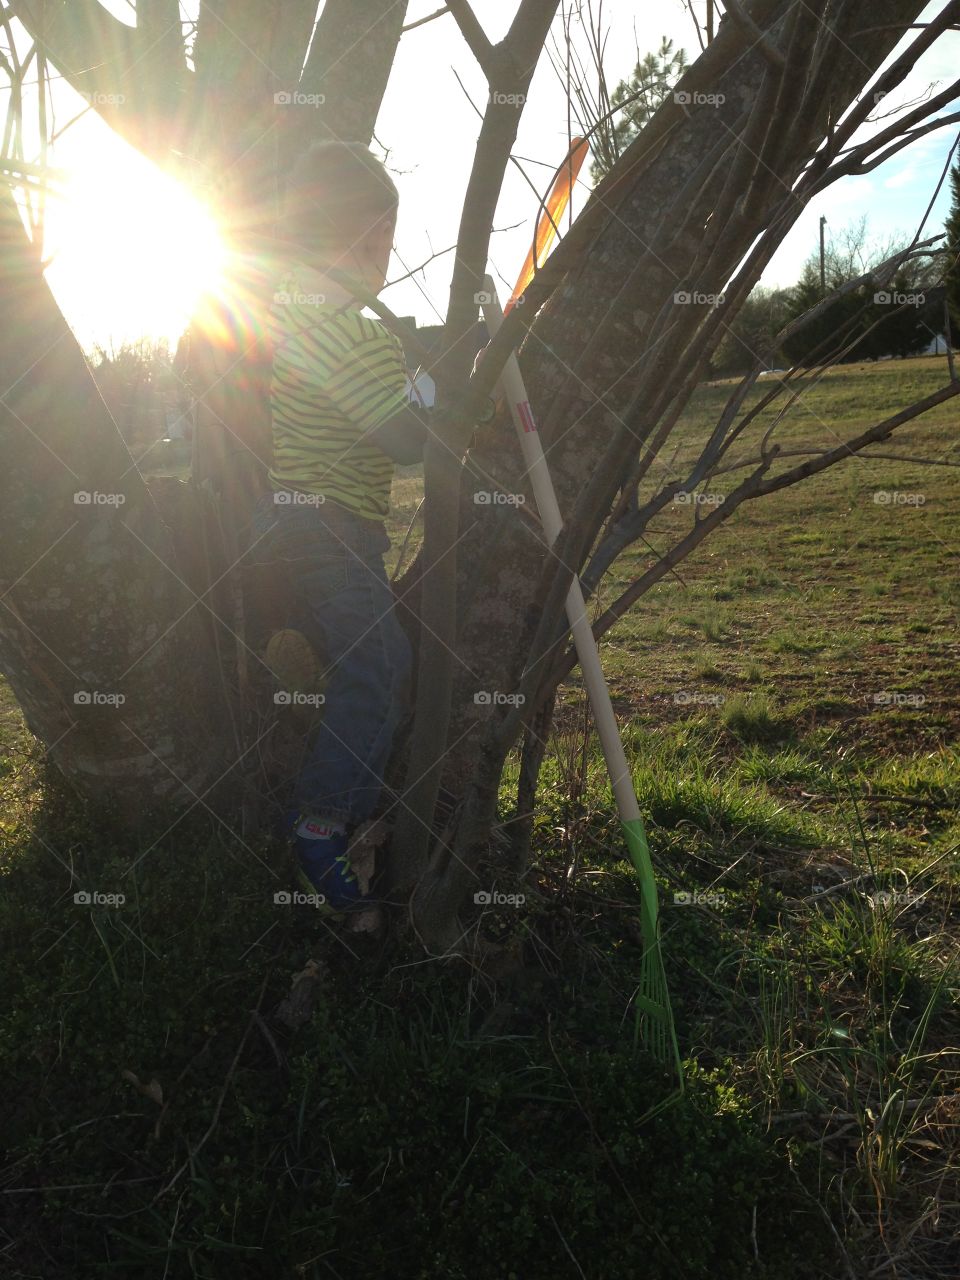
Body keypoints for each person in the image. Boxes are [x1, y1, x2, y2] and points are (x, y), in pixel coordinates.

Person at [249, 141, 434, 913]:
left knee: (369, 657)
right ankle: (322, 825)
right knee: (382, 661)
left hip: (305, 524)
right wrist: (433, 397)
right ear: (358, 237)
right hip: (328, 526)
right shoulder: (347, 329)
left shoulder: (296, 313)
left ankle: (348, 809)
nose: (387, 262)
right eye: (385, 243)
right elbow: (405, 440)